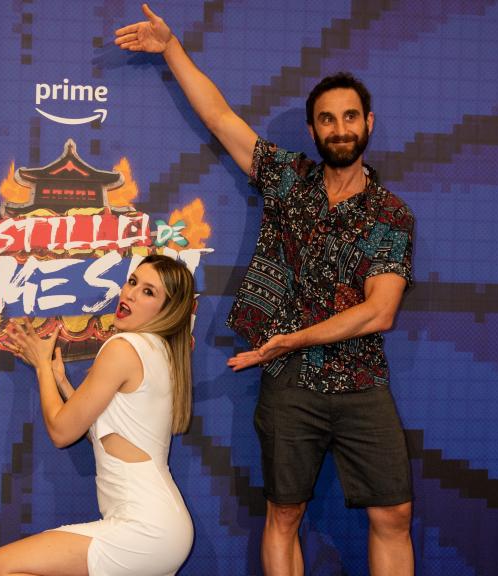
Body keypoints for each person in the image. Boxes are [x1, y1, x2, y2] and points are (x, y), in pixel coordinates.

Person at [115, 6, 416, 576]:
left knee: (394, 514)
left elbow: (379, 312)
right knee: (283, 515)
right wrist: (171, 46)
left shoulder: (391, 215)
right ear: (313, 131)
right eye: (327, 120)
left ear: (368, 124)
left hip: (360, 382)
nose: (340, 129)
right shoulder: (288, 180)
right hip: (289, 386)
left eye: (350, 117)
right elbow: (220, 117)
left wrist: (291, 339)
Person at [0, 254, 196, 576]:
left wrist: (41, 367)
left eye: (149, 292)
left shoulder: (123, 347)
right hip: (163, 526)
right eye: (133, 282)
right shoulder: (159, 352)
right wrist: (62, 383)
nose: (130, 294)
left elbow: (61, 431)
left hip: (145, 526)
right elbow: (111, 427)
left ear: (168, 310)